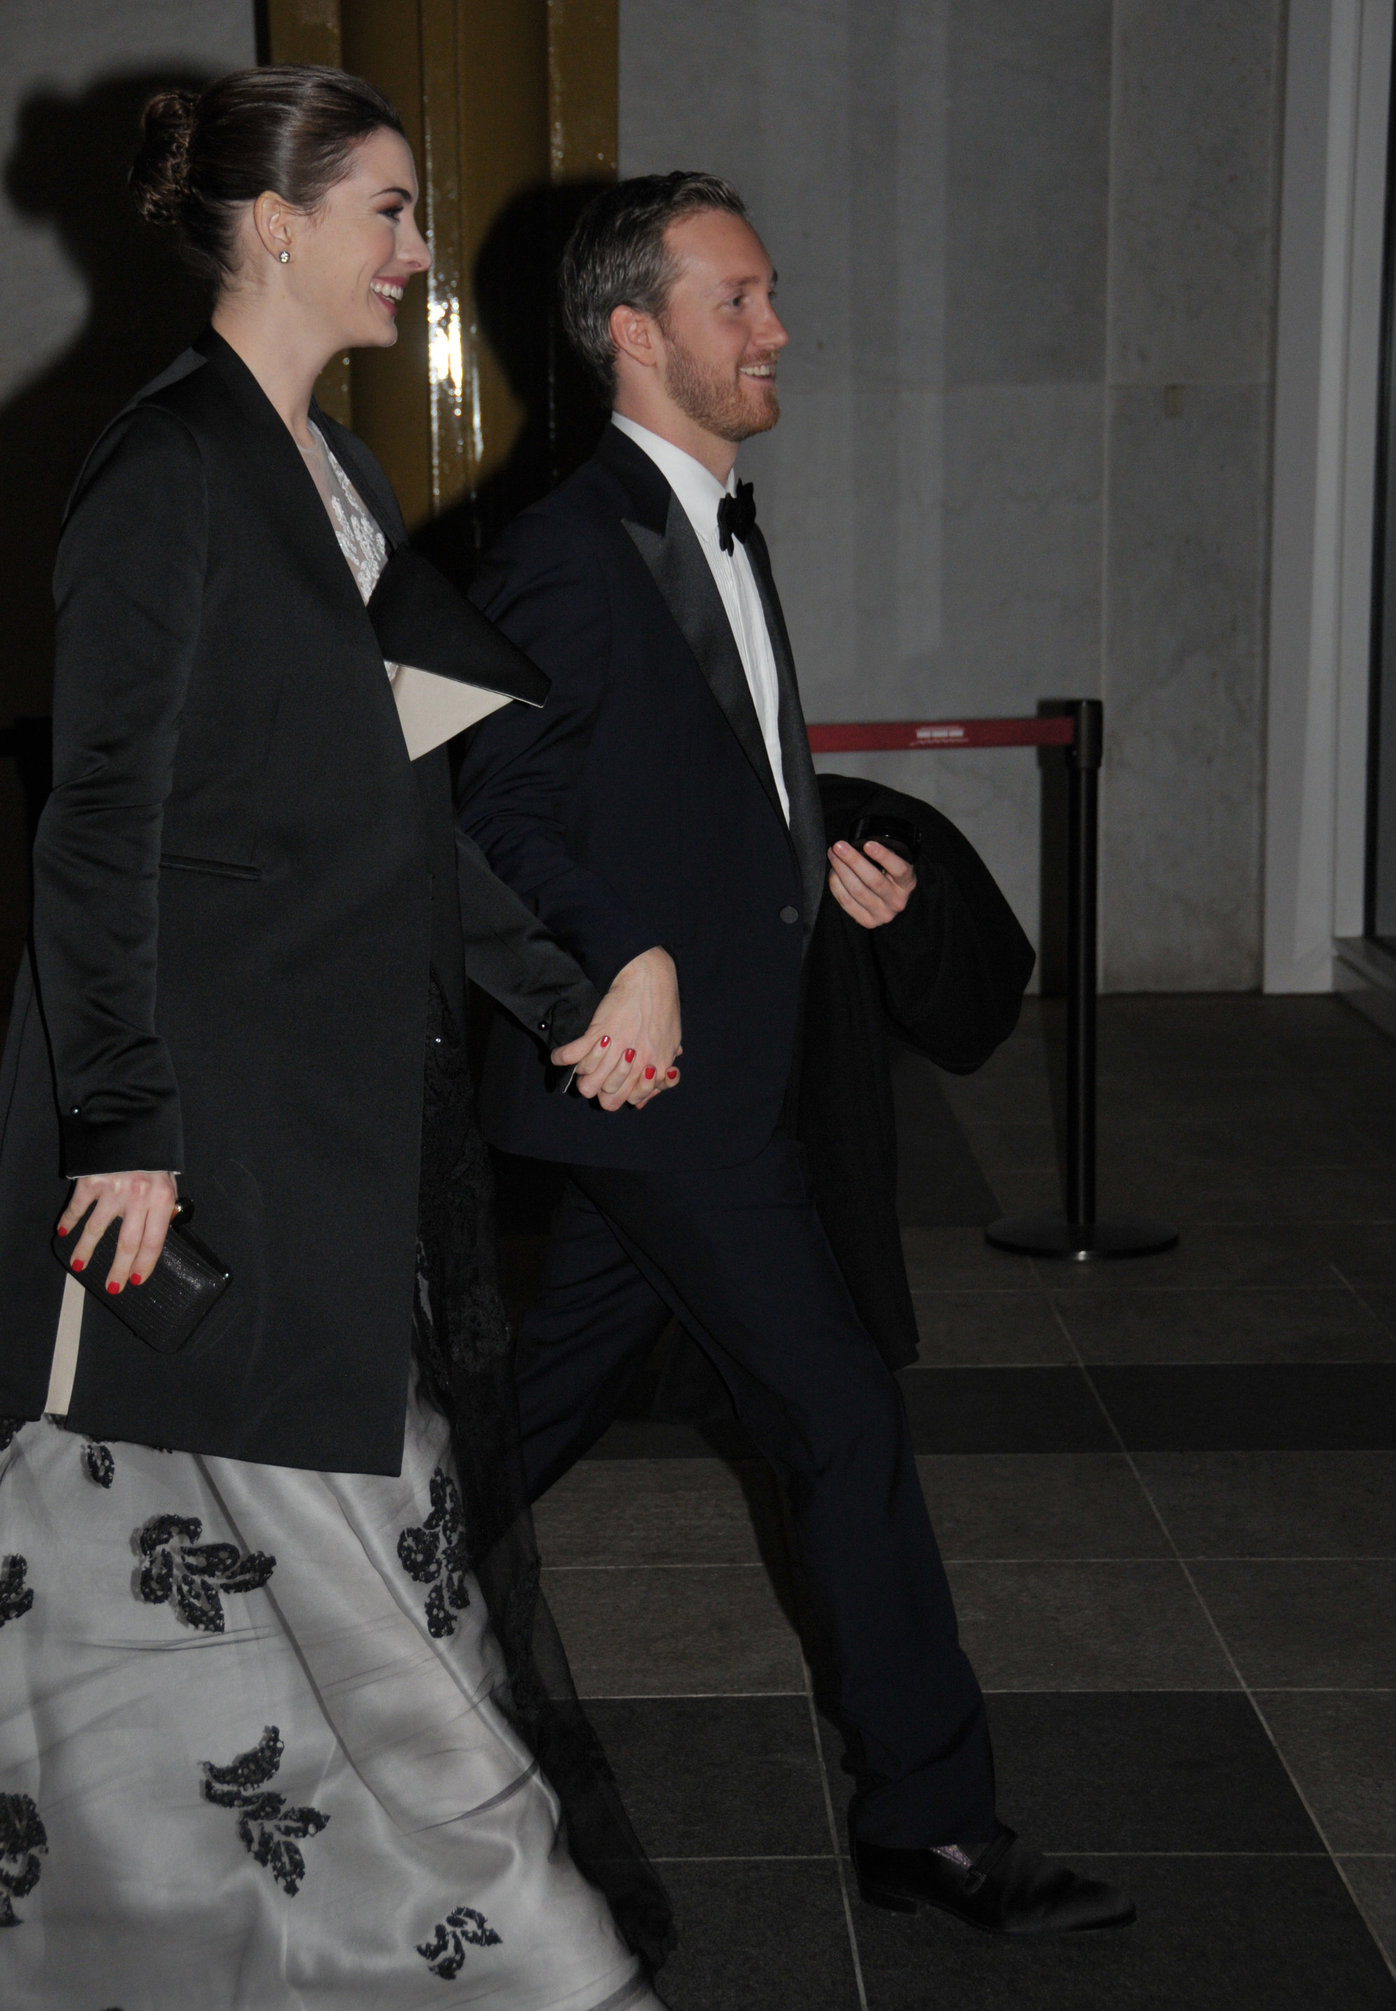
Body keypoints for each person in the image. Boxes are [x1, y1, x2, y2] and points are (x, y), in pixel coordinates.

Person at [0, 68, 671, 2009]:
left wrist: (565, 996)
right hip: (208, 1134)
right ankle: (557, 1972)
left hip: (319, 1123)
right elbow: (94, 823)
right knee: (360, 1567)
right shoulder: (165, 474)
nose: (409, 249)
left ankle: (202, 1941)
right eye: (381, 209)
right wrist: (123, 1121)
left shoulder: (337, 479)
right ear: (273, 223)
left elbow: (406, 810)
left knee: (239, 1578)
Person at [457, 171, 1136, 1938]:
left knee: (530, 1412)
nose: (777, 330)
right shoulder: (562, 545)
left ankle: (311, 1615)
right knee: (841, 1418)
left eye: (768, 298)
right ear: (635, 331)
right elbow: (496, 805)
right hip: (660, 1084)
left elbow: (687, 780)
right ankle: (937, 1817)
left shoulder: (706, 525)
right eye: (739, 300)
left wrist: (823, 870)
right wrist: (634, 960)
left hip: (717, 1077)